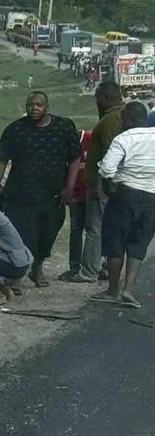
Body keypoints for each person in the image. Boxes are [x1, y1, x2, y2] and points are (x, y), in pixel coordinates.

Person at [0, 92, 80, 287]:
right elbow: (1, 162)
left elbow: (75, 158)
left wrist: (70, 186)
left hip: (53, 195)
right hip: (20, 196)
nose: (34, 108)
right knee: (23, 238)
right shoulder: (15, 130)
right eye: (30, 105)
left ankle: (37, 269)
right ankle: (15, 278)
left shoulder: (64, 128)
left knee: (47, 237)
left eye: (39, 105)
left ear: (46, 107)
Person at [93, 101, 155, 309]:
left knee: (115, 241)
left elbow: (107, 169)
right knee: (139, 244)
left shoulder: (123, 139)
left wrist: (109, 186)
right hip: (152, 198)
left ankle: (113, 290)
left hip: (125, 194)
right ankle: (128, 289)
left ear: (126, 119)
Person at [69, 81, 123, 284]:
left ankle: (89, 271)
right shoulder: (121, 116)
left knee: (94, 229)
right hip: (111, 184)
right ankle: (103, 266)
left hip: (103, 184)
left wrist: (103, 183)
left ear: (107, 98)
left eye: (98, 98)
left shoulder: (109, 120)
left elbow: (111, 152)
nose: (97, 103)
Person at [59, 129, 92, 280]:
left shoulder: (91, 138)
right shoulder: (61, 144)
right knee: (76, 229)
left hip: (92, 193)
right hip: (75, 195)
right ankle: (74, 266)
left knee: (94, 231)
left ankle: (95, 266)